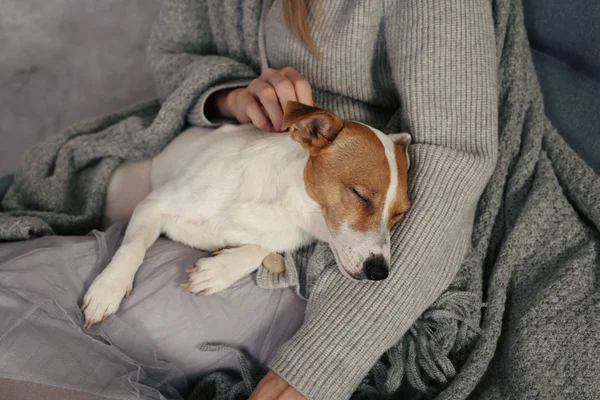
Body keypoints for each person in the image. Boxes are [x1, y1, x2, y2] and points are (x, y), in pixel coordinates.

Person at [0, 0, 497, 399]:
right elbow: (176, 54)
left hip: (306, 262)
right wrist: (229, 95)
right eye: (363, 200)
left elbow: (456, 153)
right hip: (226, 160)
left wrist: (324, 361)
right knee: (22, 277)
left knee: (69, 311)